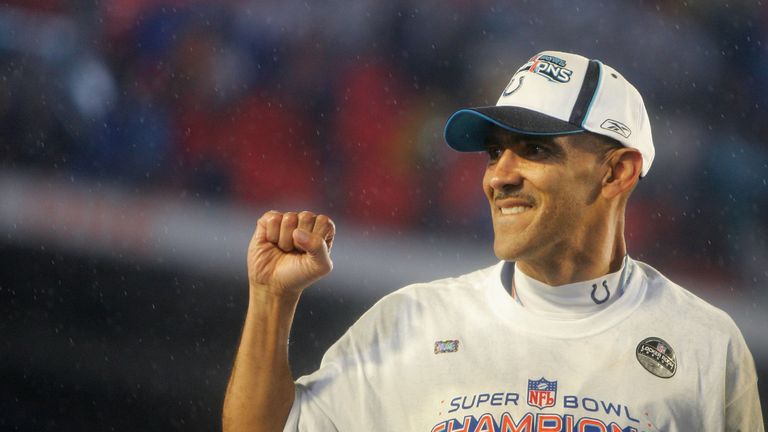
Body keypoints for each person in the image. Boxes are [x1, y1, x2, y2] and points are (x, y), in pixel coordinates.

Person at [222, 51, 764, 432]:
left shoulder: (704, 346)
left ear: (617, 172)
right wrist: (272, 301)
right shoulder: (409, 323)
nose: (497, 176)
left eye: (533, 150)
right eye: (493, 152)